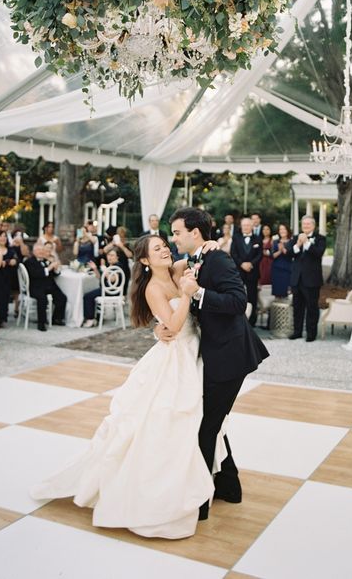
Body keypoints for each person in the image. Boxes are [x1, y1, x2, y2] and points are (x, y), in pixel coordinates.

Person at [31, 234, 219, 538]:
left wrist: (209, 245)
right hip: (175, 357)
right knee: (163, 419)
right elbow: (170, 326)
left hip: (194, 350)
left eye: (164, 246)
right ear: (144, 260)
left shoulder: (175, 270)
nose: (165, 250)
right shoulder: (153, 288)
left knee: (198, 418)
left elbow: (197, 257)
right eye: (157, 249)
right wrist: (186, 295)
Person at [168, 207, 269, 522]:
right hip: (212, 351)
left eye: (177, 232)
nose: (174, 238)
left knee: (206, 426)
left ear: (194, 233)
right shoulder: (199, 258)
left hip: (230, 355)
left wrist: (198, 292)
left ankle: (200, 502)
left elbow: (239, 302)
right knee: (213, 421)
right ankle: (229, 485)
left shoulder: (218, 259)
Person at [289, 215, 326, 342]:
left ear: (313, 226)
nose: (305, 226)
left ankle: (311, 334)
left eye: (308, 224)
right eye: (304, 224)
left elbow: (318, 253)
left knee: (312, 307)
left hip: (312, 279)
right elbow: (290, 253)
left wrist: (306, 242)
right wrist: (298, 243)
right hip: (297, 279)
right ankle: (297, 331)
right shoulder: (295, 237)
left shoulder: (320, 238)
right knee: (297, 307)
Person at [24, 242, 67, 330]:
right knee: (42, 299)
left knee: (62, 297)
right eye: (39, 250)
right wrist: (50, 267)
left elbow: (53, 274)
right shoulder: (29, 262)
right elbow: (36, 274)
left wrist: (55, 269)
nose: (41, 252)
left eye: (42, 250)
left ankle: (56, 318)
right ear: (34, 251)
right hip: (35, 286)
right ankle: (41, 323)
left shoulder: (45, 260)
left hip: (48, 285)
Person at [230, 216, 263, 326]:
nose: (245, 227)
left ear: (252, 226)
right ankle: (238, 320)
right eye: (244, 225)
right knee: (238, 295)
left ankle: (252, 321)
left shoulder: (258, 238)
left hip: (252, 272)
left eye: (248, 225)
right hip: (239, 272)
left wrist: (251, 264)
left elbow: (260, 254)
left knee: (252, 297)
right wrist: (242, 264)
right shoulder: (236, 237)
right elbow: (233, 253)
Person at [81, 247, 122, 328]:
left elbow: (112, 279)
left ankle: (90, 319)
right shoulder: (108, 265)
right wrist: (95, 268)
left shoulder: (118, 266)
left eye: (112, 255)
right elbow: (99, 277)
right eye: (109, 255)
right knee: (89, 295)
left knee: (87, 297)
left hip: (111, 291)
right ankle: (95, 318)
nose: (110, 257)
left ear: (117, 257)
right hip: (104, 289)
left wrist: (105, 269)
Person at [0, 230, 18, 326]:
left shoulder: (11, 250)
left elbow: (16, 261)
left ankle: (3, 319)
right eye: (0, 236)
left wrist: (9, 262)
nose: (3, 238)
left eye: (4, 236)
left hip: (7, 278)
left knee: (5, 298)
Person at [271, 223, 292, 298]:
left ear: (287, 230)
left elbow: (292, 255)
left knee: (287, 291)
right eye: (280, 229)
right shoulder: (275, 242)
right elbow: (272, 255)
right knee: (277, 291)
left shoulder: (292, 242)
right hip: (276, 269)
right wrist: (279, 251)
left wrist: (283, 249)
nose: (282, 231)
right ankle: (278, 308)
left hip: (287, 269)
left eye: (284, 229)